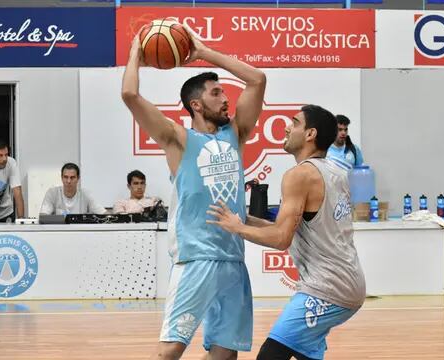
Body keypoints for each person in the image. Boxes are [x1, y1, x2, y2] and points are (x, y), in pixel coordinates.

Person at [121, 28, 266, 360]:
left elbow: (257, 79)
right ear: (197, 104)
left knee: (225, 355)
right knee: (170, 351)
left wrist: (205, 52)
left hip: (233, 258)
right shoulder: (177, 138)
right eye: (217, 93)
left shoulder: (236, 133)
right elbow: (130, 95)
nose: (226, 97)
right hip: (196, 256)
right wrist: (135, 54)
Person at [208, 105, 366, 360]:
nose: (286, 127)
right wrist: (244, 219)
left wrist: (237, 228)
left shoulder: (299, 175)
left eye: (294, 122)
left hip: (327, 288)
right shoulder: (335, 171)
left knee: (269, 356)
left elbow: (281, 239)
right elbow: (287, 228)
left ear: (310, 134)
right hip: (347, 283)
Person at [40, 163, 106, 215]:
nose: (68, 181)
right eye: (66, 177)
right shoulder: (52, 193)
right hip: (58, 231)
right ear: (61, 178)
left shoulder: (86, 194)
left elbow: (103, 214)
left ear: (78, 178)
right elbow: (43, 215)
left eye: (72, 177)